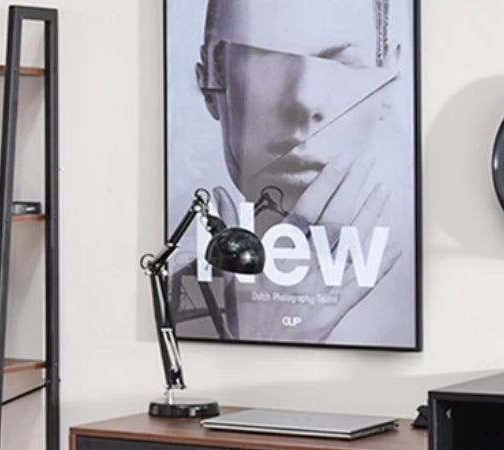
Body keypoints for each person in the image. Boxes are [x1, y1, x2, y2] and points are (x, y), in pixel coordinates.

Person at [169, 0, 416, 349]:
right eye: (264, 60)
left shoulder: (415, 299)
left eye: (340, 62)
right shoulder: (177, 302)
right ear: (209, 82)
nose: (304, 99)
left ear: (388, 81)